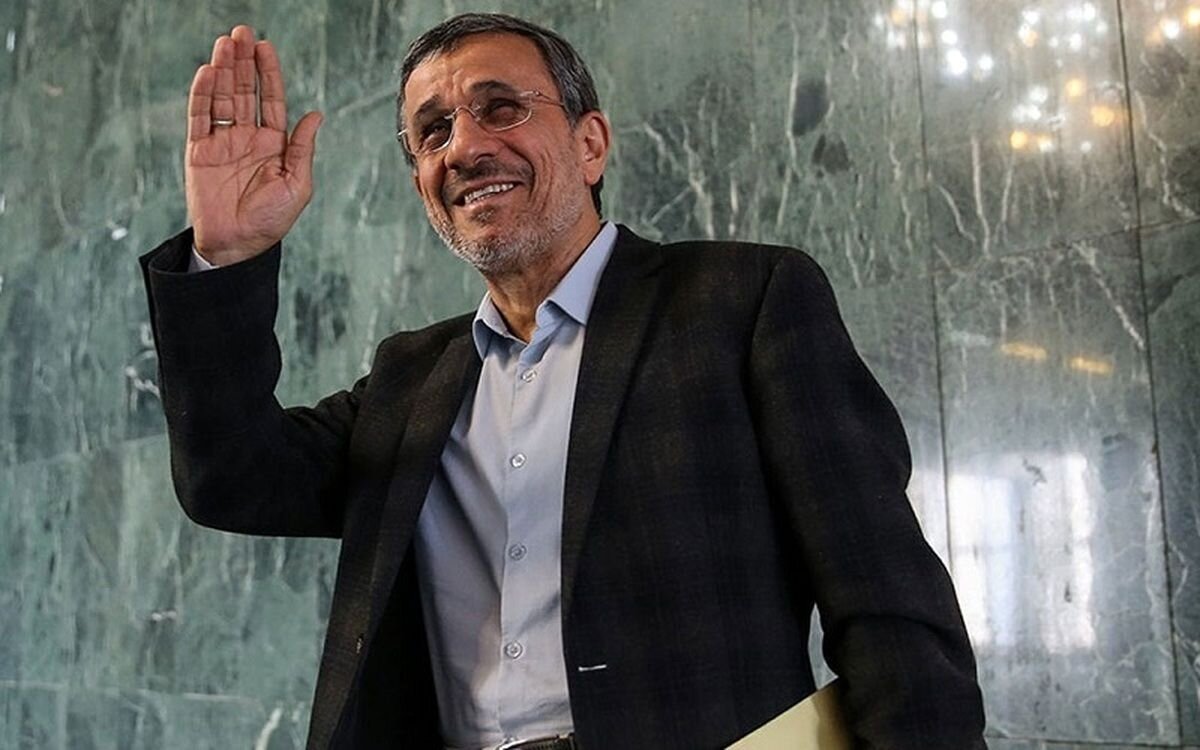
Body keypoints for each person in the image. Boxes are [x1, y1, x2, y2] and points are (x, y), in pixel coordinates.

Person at [139, 13, 986, 750]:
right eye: (432, 131)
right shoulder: (409, 379)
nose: (465, 147)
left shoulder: (743, 302)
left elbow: (887, 602)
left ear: (590, 144)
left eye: (501, 108)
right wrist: (229, 255)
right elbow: (232, 479)